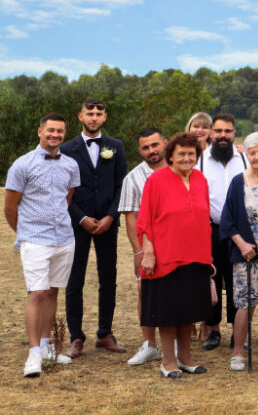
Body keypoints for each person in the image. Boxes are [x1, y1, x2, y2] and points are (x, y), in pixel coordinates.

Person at [6, 113, 81, 378]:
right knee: (36, 294)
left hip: (63, 239)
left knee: (52, 292)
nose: (55, 135)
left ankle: (49, 347)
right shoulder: (22, 165)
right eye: (50, 130)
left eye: (60, 131)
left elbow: (66, 199)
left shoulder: (71, 165)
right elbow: (10, 206)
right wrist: (25, 234)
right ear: (40, 131)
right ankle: (34, 353)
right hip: (35, 240)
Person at [137, 131, 212, 379]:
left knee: (188, 310)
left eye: (191, 154)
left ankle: (186, 358)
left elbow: (204, 218)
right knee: (168, 312)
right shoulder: (156, 180)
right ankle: (168, 361)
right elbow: (144, 220)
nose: (187, 158)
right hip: (166, 256)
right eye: (181, 154)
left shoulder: (201, 179)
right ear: (171, 155)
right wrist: (149, 253)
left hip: (196, 256)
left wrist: (209, 260)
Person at [60, 98, 128, 359]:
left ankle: (105, 333)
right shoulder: (66, 149)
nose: (94, 117)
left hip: (108, 223)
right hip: (77, 223)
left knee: (108, 278)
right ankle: (76, 336)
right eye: (90, 113)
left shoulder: (115, 147)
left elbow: (121, 184)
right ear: (80, 116)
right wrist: (80, 217)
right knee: (74, 279)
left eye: (99, 113)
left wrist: (111, 216)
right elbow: (63, 188)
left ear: (105, 117)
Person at [219, 131, 258, 371]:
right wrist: (242, 244)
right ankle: (237, 352)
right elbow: (227, 221)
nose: (257, 157)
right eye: (252, 152)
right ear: (246, 154)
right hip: (248, 253)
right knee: (245, 303)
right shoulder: (238, 182)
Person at [118, 128, 167, 367]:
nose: (152, 151)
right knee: (145, 292)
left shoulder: (182, 169)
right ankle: (149, 344)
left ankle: (174, 343)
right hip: (148, 245)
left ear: (165, 143)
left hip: (175, 242)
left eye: (155, 145)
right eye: (146, 147)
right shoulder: (133, 178)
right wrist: (139, 250)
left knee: (175, 292)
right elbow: (130, 217)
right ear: (140, 150)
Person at [198, 113, 245, 352]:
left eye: (228, 131)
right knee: (212, 278)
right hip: (211, 229)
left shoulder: (244, 158)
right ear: (211, 133)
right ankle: (213, 329)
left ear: (234, 133)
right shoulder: (201, 160)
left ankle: (238, 333)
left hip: (239, 232)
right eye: (219, 131)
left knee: (238, 279)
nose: (223, 136)